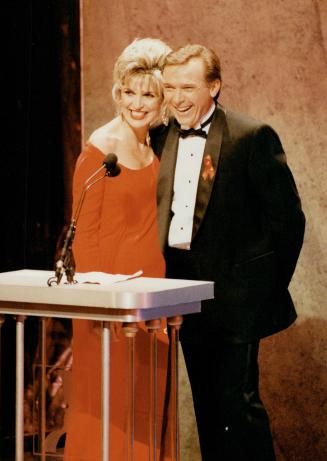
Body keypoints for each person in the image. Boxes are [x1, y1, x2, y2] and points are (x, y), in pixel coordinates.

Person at [150, 44, 306, 461]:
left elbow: (289, 222)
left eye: (187, 86)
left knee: (238, 407)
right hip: (182, 291)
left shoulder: (251, 135)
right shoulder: (161, 134)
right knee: (205, 405)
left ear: (214, 86)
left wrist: (262, 289)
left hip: (237, 296)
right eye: (169, 87)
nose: (176, 97)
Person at [63, 38, 172, 461]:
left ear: (162, 97)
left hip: (156, 288)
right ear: (117, 91)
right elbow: (84, 235)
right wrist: (100, 304)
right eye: (129, 91)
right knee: (109, 398)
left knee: (147, 395)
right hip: (109, 295)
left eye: (148, 93)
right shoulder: (100, 148)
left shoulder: (157, 143)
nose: (137, 103)